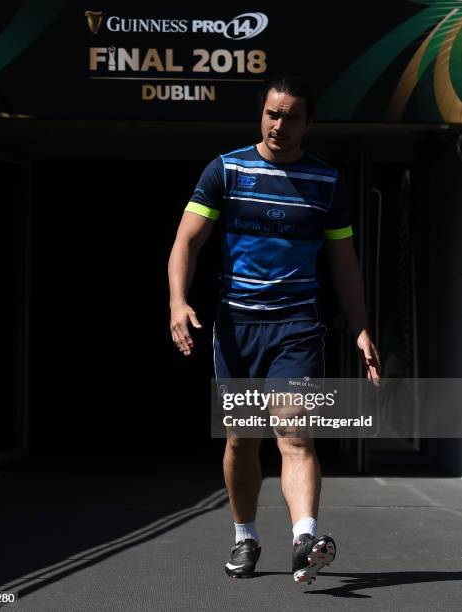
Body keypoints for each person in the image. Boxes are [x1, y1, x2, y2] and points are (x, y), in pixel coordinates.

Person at [168, 74, 381, 584]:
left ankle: (304, 538)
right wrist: (177, 302)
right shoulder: (226, 170)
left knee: (293, 431)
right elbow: (187, 243)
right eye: (272, 113)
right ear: (261, 114)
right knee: (243, 440)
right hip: (237, 328)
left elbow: (344, 262)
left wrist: (361, 327)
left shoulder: (326, 183)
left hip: (297, 327)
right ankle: (246, 539)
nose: (279, 125)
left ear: (309, 124)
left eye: (291, 117)